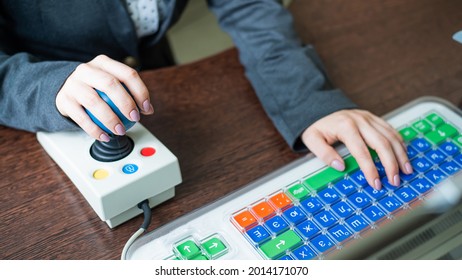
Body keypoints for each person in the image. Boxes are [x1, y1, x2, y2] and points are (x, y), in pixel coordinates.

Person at [0, 0, 412, 190]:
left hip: (154, 83)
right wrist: (47, 87)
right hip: (37, 109)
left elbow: (249, 6)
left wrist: (307, 100)